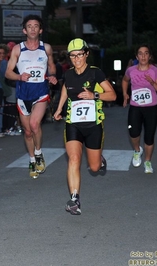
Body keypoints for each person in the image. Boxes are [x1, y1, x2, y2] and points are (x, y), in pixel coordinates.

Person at [53, 38, 116, 215]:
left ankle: (100, 160)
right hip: (73, 123)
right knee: (73, 158)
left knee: (94, 167)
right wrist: (59, 108)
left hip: (93, 124)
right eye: (72, 56)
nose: (76, 59)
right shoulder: (68, 74)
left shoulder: (95, 73)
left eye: (79, 54)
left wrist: (94, 95)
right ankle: (74, 199)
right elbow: (66, 88)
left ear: (86, 54)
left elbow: (112, 95)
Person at [5, 14, 58, 178]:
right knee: (27, 132)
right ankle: (31, 159)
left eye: (36, 26)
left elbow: (52, 67)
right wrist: (19, 76)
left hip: (40, 92)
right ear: (24, 30)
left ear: (40, 30)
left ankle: (39, 153)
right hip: (23, 93)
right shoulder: (17, 49)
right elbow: (8, 73)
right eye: (30, 26)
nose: (33, 29)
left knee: (35, 125)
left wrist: (52, 76)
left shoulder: (46, 48)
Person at [122, 44, 157, 174]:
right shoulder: (131, 70)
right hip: (135, 107)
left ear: (149, 56)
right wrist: (125, 94)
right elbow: (125, 80)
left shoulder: (154, 71)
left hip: (151, 108)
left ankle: (147, 161)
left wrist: (152, 82)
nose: (143, 56)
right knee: (133, 133)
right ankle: (137, 150)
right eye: (140, 53)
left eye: (146, 53)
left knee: (149, 137)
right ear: (137, 56)